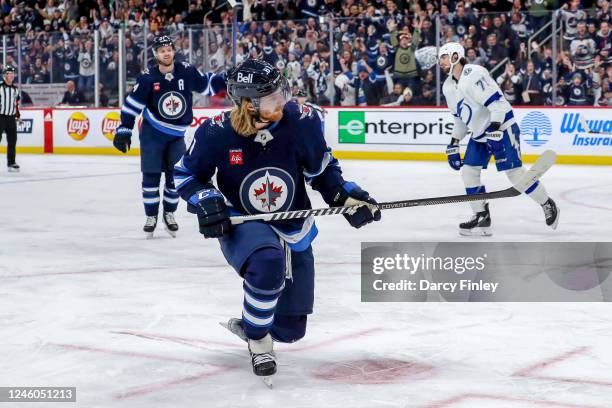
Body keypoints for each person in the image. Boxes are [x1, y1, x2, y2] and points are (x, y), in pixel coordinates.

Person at [173, 59, 381, 380]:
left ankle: (254, 323)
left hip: (294, 225)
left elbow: (322, 170)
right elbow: (187, 175)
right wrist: (207, 200)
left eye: (281, 92)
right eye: (271, 98)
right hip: (243, 221)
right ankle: (258, 340)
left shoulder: (301, 121)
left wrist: (345, 195)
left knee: (290, 330)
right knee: (267, 262)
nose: (282, 101)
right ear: (247, 104)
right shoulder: (215, 133)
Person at [438, 42, 559, 236]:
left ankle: (547, 203)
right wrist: (453, 143)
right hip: (479, 135)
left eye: (443, 57)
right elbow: (460, 120)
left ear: (454, 57)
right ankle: (481, 215)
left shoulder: (473, 73)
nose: (440, 61)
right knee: (468, 172)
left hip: (502, 127)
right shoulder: (448, 87)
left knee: (515, 174)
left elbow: (497, 104)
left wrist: (495, 129)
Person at [113, 35, 225, 238]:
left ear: (173, 51)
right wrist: (124, 129)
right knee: (151, 176)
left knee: (175, 176)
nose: (166, 53)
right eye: (162, 50)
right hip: (152, 134)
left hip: (176, 135)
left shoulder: (186, 71)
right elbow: (131, 105)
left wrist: (225, 79)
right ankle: (151, 216)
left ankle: (169, 214)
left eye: (169, 49)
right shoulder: (148, 78)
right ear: (156, 54)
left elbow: (206, 85)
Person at [0, 66, 21, 172]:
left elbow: (16, 105)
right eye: (9, 73)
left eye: (13, 73)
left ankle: (11, 162)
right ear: (5, 75)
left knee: (12, 141)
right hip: (0, 117)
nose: (12, 75)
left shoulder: (15, 89)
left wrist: (18, 117)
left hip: (11, 118)